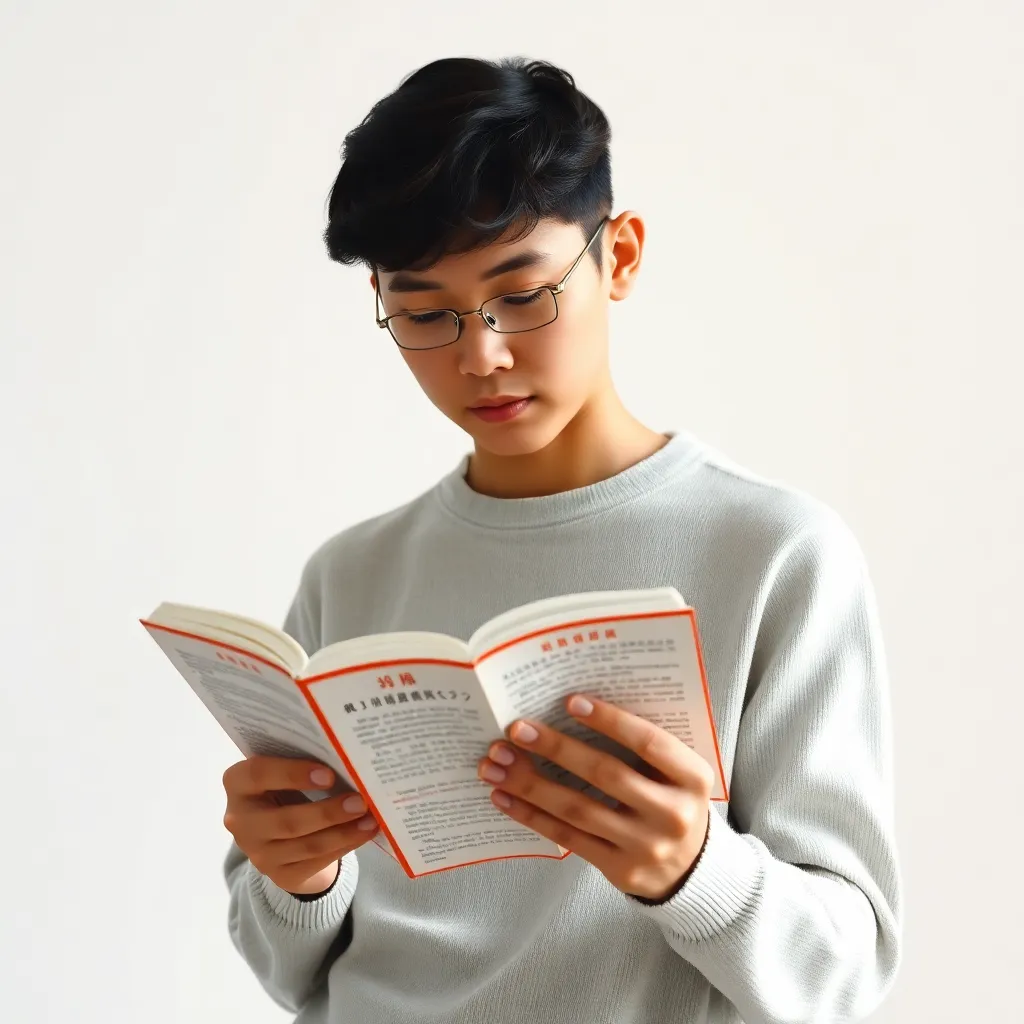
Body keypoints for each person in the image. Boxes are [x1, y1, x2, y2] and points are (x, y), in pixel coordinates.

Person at [220, 56, 902, 1024]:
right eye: (422, 314)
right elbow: (295, 971)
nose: (479, 354)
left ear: (617, 256)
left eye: (523, 295)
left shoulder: (775, 555)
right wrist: (296, 879)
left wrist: (692, 869)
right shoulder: (351, 574)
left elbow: (845, 974)